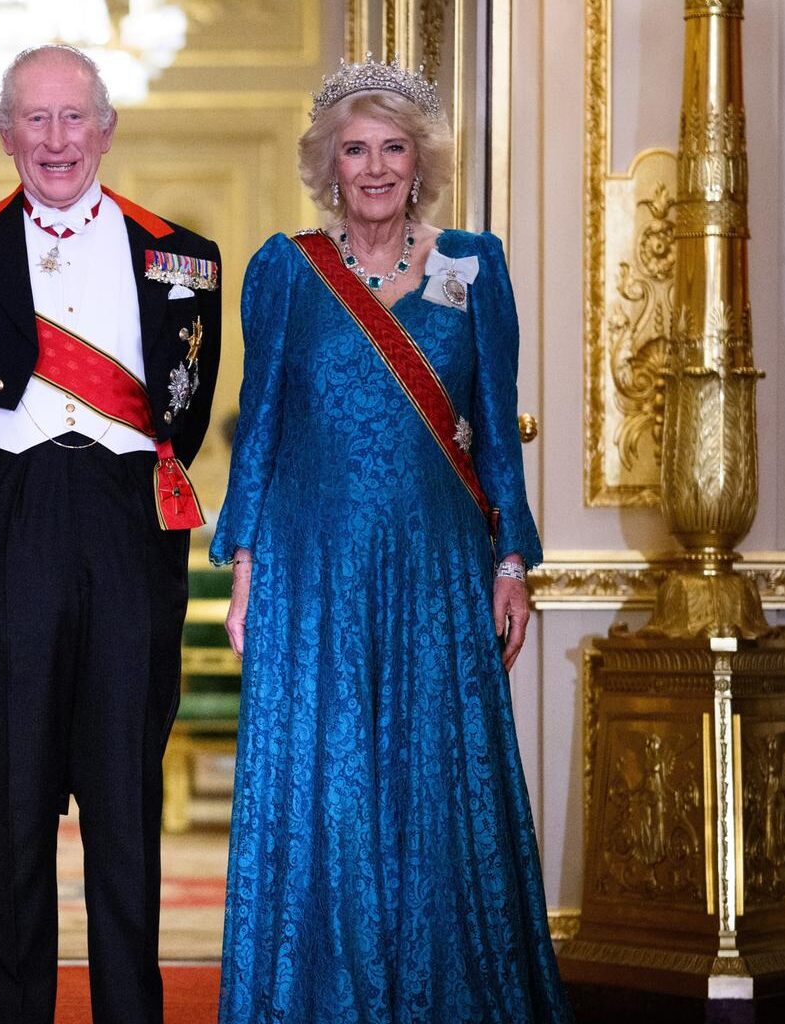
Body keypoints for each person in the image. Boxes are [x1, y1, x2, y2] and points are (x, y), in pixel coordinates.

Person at [211, 60, 572, 1023]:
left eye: (393, 147)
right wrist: (245, 573)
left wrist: (511, 565)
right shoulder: (285, 270)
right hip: (312, 566)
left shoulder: (472, 265)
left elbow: (497, 426)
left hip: (439, 567)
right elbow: (264, 428)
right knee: (324, 789)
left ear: (422, 162)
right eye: (354, 149)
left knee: (435, 794)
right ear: (329, 164)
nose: (373, 168)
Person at [0, 44, 222, 1023]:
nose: (55, 140)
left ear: (107, 128)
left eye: (72, 118)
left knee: (125, 794)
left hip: (127, 522)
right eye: (34, 120)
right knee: (11, 799)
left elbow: (187, 399)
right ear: (4, 132)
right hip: (3, 518)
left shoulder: (184, 255)